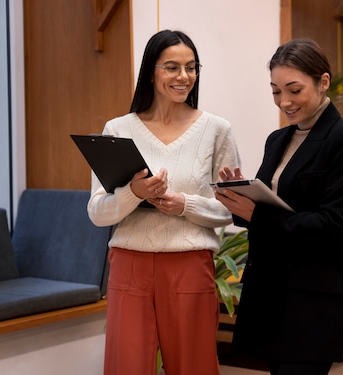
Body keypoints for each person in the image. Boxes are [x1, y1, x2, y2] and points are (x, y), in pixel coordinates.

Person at [214, 38, 343, 375]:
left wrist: (258, 214)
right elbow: (270, 212)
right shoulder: (278, 140)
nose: (284, 101)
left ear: (323, 82)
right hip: (270, 293)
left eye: (294, 90)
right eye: (275, 91)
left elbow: (333, 226)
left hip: (314, 297)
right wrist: (240, 197)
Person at [87, 29, 241, 375]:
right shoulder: (117, 129)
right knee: (126, 367)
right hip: (129, 265)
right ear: (151, 71)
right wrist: (134, 193)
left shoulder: (217, 130)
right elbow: (97, 212)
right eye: (171, 67)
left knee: (194, 367)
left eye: (191, 67)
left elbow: (230, 209)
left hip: (190, 266)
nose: (183, 77)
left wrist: (184, 204)